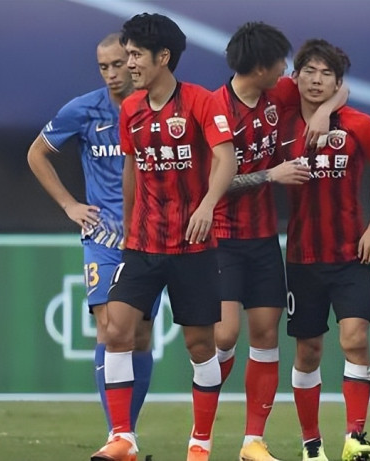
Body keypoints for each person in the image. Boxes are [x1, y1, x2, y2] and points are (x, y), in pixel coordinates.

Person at [89, 13, 237, 461]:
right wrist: (128, 228)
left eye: (136, 55)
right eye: (127, 55)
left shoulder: (201, 102)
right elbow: (131, 170)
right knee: (116, 331)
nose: (129, 64)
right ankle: (122, 438)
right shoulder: (131, 109)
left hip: (193, 247)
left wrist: (207, 205)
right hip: (142, 246)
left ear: (163, 57)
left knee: (200, 346)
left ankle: (200, 443)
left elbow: (226, 158)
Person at [211, 22, 346, 461]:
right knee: (225, 335)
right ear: (260, 67)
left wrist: (325, 111)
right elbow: (214, 184)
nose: (289, 72)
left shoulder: (277, 95)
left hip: (264, 238)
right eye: (280, 64)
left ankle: (253, 441)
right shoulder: (216, 108)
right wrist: (271, 174)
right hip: (222, 237)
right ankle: (201, 430)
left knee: (266, 335)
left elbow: (339, 88)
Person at [27, 32, 159, 446]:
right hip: (102, 236)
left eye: (118, 64)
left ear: (134, 61)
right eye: (104, 67)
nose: (112, 74)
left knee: (140, 336)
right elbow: (36, 153)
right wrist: (69, 204)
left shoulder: (156, 109)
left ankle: (127, 431)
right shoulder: (83, 109)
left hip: (150, 236)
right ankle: (117, 433)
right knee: (110, 329)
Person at [278, 39, 370, 461]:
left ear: (338, 82)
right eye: (309, 71)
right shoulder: (281, 124)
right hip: (302, 257)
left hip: (350, 254)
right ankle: (311, 444)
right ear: (296, 77)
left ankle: (355, 437)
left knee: (355, 339)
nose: (316, 80)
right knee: (308, 350)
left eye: (326, 74)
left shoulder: (359, 124)